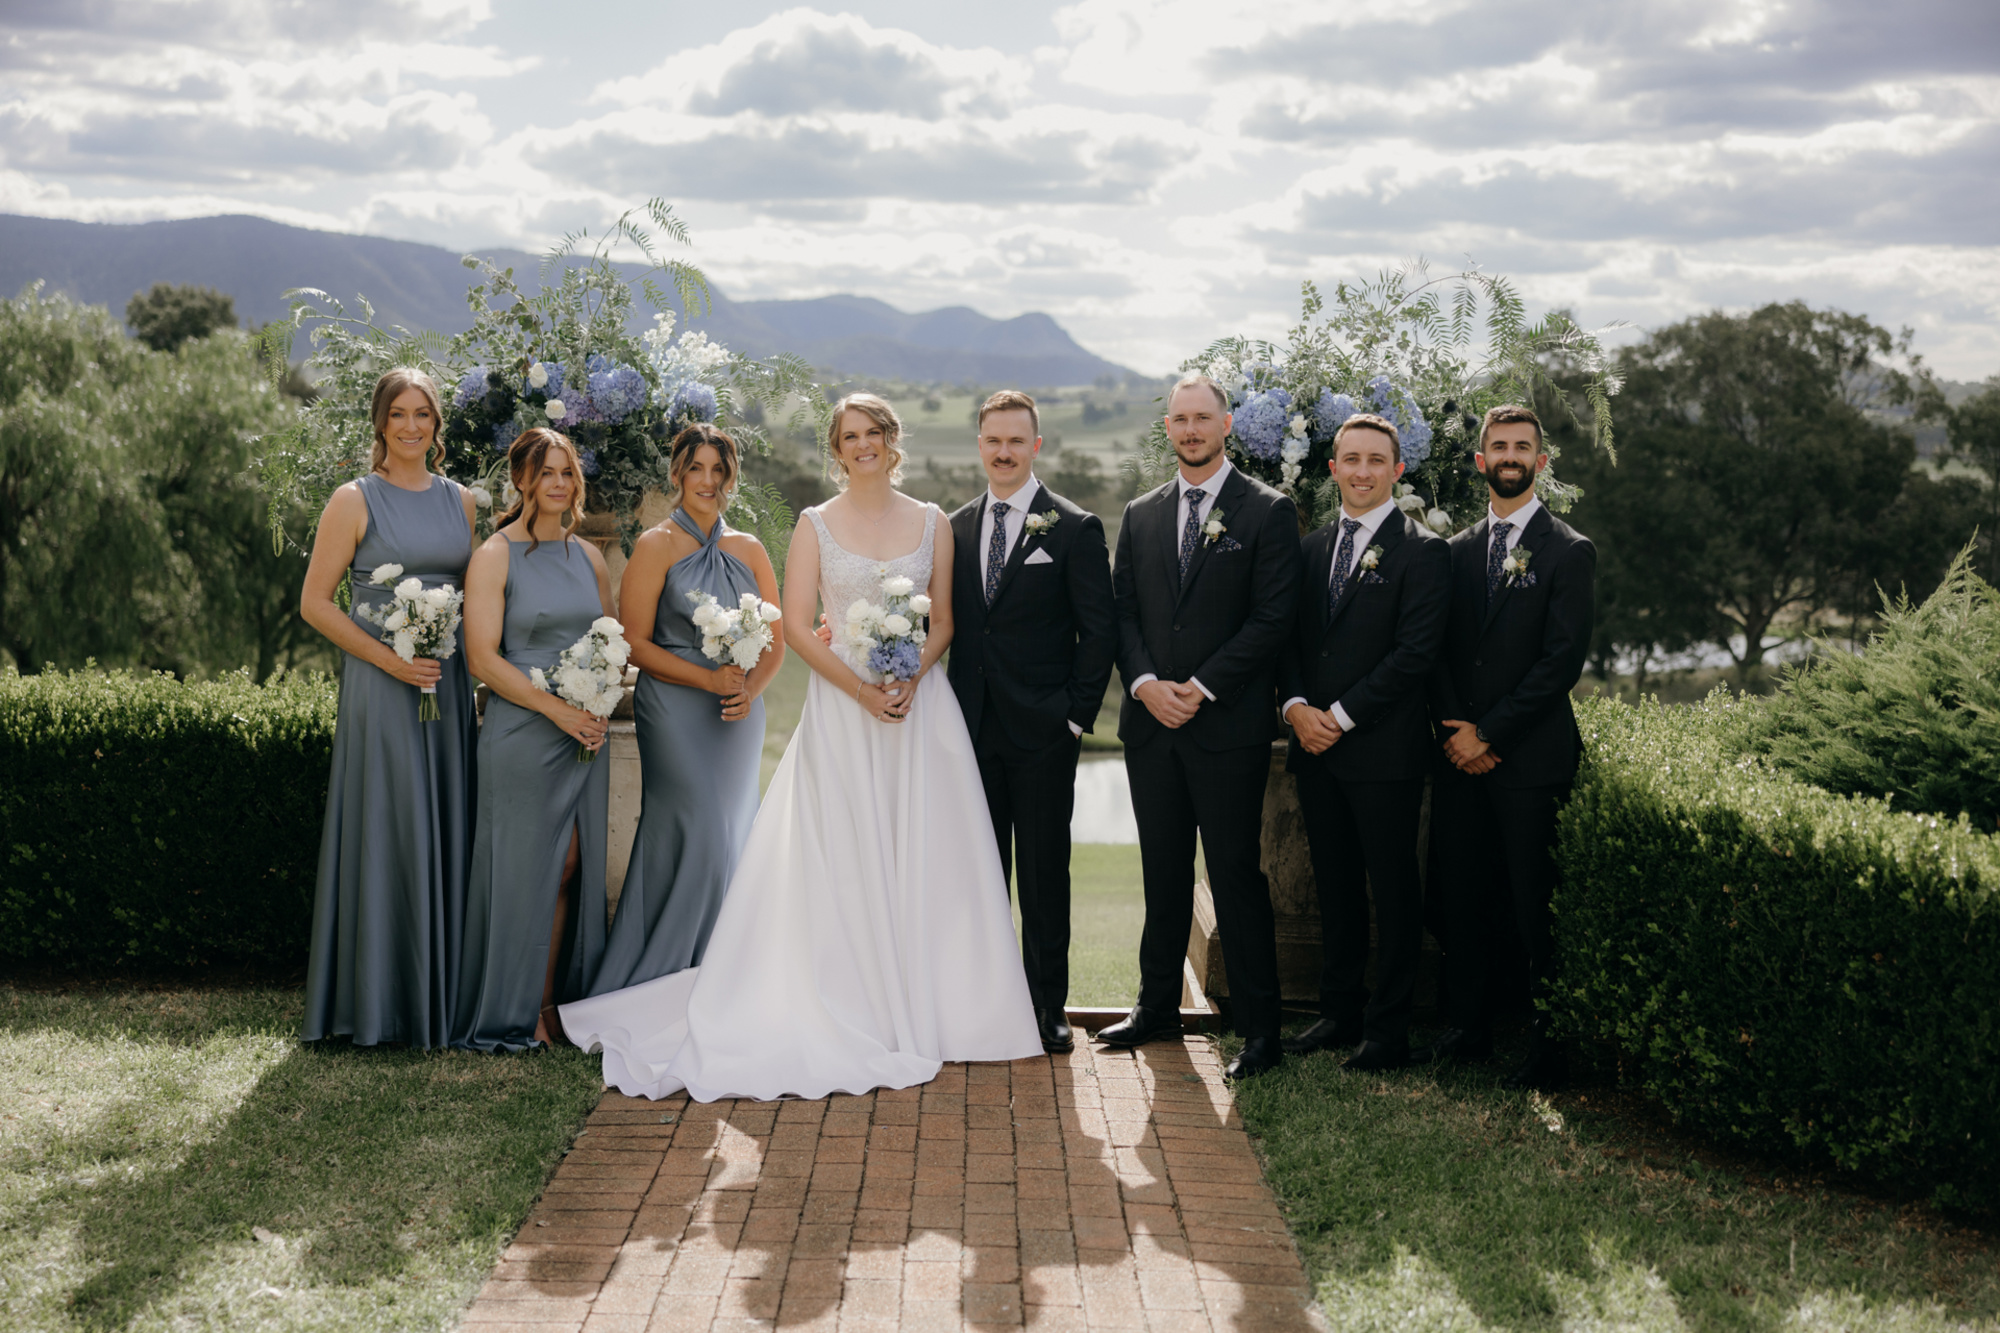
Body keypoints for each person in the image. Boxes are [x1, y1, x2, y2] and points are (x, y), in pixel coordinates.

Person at [559, 393, 1041, 1100]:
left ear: (890, 439)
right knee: (844, 852)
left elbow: (945, 617)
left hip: (920, 708)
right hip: (845, 710)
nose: (862, 444)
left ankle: (951, 1010)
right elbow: (794, 626)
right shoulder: (814, 525)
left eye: (873, 431)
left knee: (930, 847)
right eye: (849, 435)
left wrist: (912, 672)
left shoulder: (935, 521)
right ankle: (855, 999)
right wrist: (863, 690)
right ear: (836, 447)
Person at [1099, 373, 1303, 1080]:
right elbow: (1122, 612)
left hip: (1228, 726)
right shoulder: (1141, 512)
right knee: (1162, 873)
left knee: (1236, 875)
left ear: (1227, 426)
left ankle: (1259, 1028)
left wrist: (1205, 685)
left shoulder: (1268, 512)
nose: (1190, 429)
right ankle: (1157, 1007)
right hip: (1153, 726)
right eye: (1179, 419)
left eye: (1202, 418)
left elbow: (1273, 617)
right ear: (1168, 429)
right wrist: (1149, 684)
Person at [300, 367, 478, 1049]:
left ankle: (443, 1001)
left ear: (437, 424)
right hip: (383, 685)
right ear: (380, 422)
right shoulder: (353, 499)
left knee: (443, 821)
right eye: (399, 414)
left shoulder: (462, 502)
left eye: (423, 414)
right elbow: (316, 602)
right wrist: (388, 659)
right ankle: (377, 1006)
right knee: (388, 823)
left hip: (448, 680)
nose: (411, 426)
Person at [1421, 404, 1595, 1090]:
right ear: (1480, 460)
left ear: (1541, 462)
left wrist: (1489, 733)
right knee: (1460, 894)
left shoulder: (1568, 550)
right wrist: (1455, 731)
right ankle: (1467, 1024)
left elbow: (1561, 663)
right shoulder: (1456, 551)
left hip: (1531, 760)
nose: (1512, 454)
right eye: (1500, 445)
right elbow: (1433, 650)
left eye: (1524, 446)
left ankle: (1548, 1044)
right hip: (1460, 757)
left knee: (1533, 905)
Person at [1276, 413, 1450, 1071]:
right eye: (1350, 459)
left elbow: (1414, 653)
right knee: (1336, 885)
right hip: (1315, 748)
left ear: (1397, 469)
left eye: (1376, 460)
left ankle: (1388, 1029)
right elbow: (1288, 640)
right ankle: (1338, 1010)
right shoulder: (1312, 547)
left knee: (1392, 888)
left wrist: (1339, 716)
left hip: (1381, 751)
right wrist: (1295, 707)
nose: (1362, 471)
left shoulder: (1424, 551)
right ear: (1333, 468)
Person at [945, 391, 1117, 1054]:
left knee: (1046, 873)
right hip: (970, 731)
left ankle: (1049, 1007)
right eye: (993, 440)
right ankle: (982, 1002)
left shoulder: (1073, 527)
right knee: (979, 873)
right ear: (980, 444)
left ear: (1035, 445)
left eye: (1017, 440)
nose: (1004, 451)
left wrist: (1073, 718)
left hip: (1045, 733)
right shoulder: (955, 527)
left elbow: (1097, 633)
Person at [585, 425, 782, 997]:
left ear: (729, 477)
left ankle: (726, 978)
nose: (707, 480)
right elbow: (637, 643)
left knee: (730, 835)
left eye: (718, 470)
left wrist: (751, 691)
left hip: (736, 719)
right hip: (674, 711)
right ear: (677, 473)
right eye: (696, 468)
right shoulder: (655, 545)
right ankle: (661, 977)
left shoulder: (749, 548)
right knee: (696, 829)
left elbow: (776, 640)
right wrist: (708, 678)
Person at [454, 428, 615, 1051]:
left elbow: (607, 639)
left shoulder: (589, 558)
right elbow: (482, 659)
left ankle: (550, 1004)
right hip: (524, 728)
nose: (558, 483)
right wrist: (557, 709)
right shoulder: (496, 554)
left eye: (567, 472)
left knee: (572, 865)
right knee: (527, 870)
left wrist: (594, 702)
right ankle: (514, 1010)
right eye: (546, 472)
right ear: (521, 480)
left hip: (581, 732)